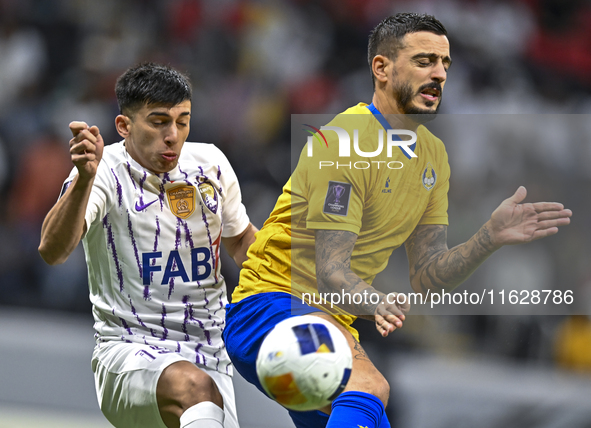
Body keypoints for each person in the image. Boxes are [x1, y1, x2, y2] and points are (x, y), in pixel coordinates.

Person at [221, 12, 573, 428]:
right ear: (382, 68)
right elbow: (331, 270)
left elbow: (429, 274)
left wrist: (488, 238)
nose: (439, 74)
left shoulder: (432, 157)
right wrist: (377, 302)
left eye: (445, 63)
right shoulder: (346, 142)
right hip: (269, 310)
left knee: (371, 413)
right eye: (424, 61)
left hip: (328, 322)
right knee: (369, 387)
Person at [38, 63, 257, 428]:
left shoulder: (211, 164)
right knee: (194, 388)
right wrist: (84, 181)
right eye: (158, 122)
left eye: (182, 121)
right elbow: (52, 249)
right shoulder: (102, 169)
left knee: (201, 390)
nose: (173, 135)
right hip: (128, 351)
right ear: (124, 126)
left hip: (212, 359)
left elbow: (242, 243)